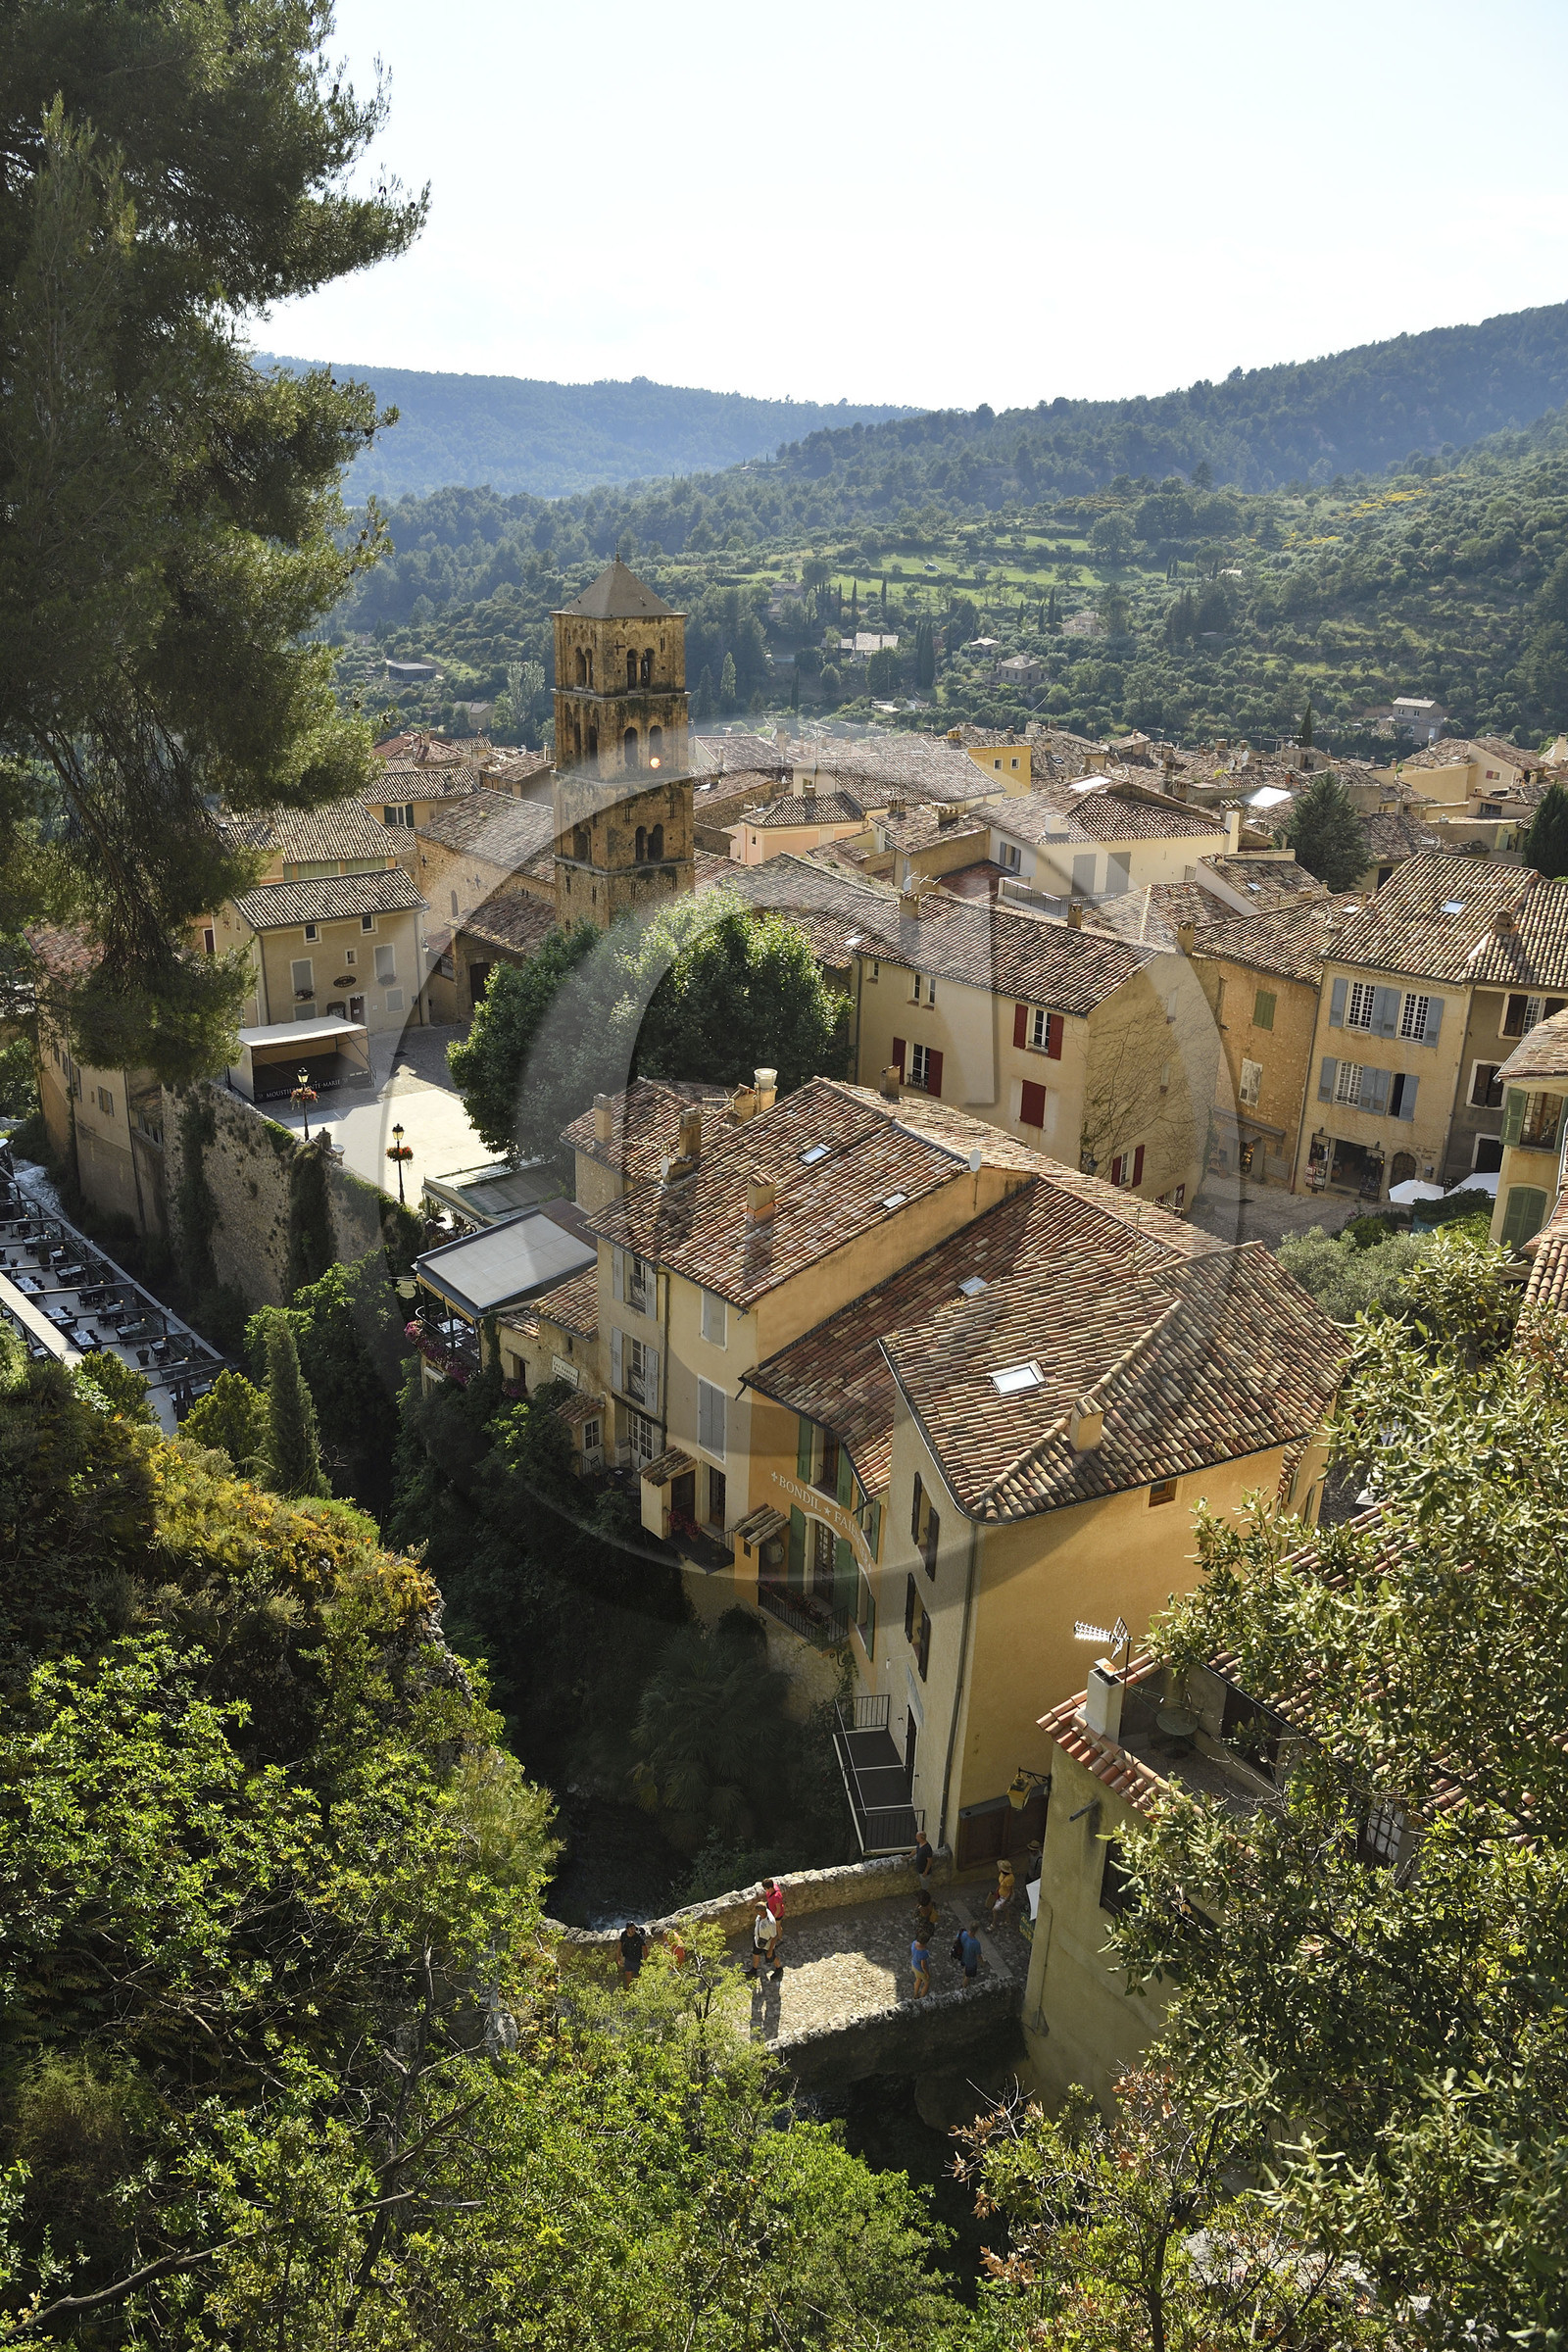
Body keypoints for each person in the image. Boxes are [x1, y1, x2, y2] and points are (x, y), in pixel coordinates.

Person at [746, 1899, 781, 1981]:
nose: (756, 1913)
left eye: (757, 1911)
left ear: (762, 1911)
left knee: (772, 1957)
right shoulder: (761, 1915)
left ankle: (779, 1968)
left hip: (766, 1944)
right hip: (758, 1940)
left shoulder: (770, 1922)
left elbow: (774, 1936)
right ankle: (754, 1970)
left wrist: (770, 1951)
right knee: (755, 1953)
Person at [617, 1922, 647, 1988]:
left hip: (637, 1959)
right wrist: (618, 1958)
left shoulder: (638, 1936)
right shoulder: (624, 1934)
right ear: (627, 1930)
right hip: (628, 1958)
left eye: (634, 1928)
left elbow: (644, 1948)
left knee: (639, 1977)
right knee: (628, 1976)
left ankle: (640, 1991)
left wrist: (646, 1962)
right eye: (631, 1929)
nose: (633, 1930)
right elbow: (620, 1945)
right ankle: (629, 1991)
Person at [991, 1855, 1015, 1932]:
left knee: (994, 1910)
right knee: (1005, 1908)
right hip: (1001, 1893)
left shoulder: (1010, 1878)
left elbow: (1010, 1892)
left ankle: (993, 1924)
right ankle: (1008, 1921)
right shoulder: (1002, 1874)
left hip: (1005, 1897)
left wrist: (1005, 1901)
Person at [909, 1927, 931, 2000]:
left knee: (918, 1979)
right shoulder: (923, 1953)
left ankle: (915, 1995)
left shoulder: (914, 1943)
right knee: (927, 1983)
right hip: (920, 1969)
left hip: (914, 1964)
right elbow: (923, 1966)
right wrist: (927, 1974)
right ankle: (921, 1998)